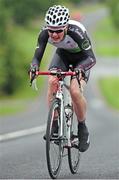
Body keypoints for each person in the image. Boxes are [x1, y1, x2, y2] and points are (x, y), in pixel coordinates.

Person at [29, 5, 96, 152]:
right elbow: (37, 56)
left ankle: (82, 127)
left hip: (82, 60)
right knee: (52, 81)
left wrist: (80, 69)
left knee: (75, 91)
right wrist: (34, 67)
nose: (54, 35)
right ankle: (54, 123)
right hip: (63, 56)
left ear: (66, 27)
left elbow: (91, 58)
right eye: (51, 30)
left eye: (58, 31)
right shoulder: (44, 33)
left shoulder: (77, 32)